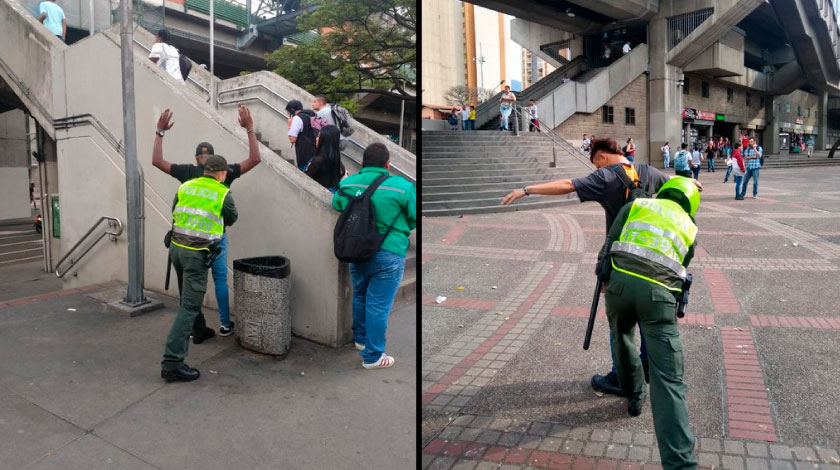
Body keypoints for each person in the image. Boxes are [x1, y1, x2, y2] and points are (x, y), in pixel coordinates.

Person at [501, 138, 703, 396]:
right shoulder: (648, 172)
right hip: (656, 258)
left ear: (603, 156)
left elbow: (568, 185)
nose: (595, 169)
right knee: (646, 314)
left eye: (595, 163)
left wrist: (526, 189)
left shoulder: (606, 176)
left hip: (622, 260)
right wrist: (692, 182)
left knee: (620, 323)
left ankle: (621, 376)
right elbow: (676, 186)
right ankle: (646, 365)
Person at [602, 176, 700, 469]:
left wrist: (605, 277)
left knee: (622, 339)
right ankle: (680, 464)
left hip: (618, 288)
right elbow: (682, 266)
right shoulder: (690, 228)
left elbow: (609, 245)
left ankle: (633, 398)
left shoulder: (636, 205)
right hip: (658, 300)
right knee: (668, 379)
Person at [152, 105, 261, 339]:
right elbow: (254, 159)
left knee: (190, 287)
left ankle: (196, 327)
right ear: (218, 167)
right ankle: (223, 325)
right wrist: (249, 129)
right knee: (219, 278)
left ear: (198, 159)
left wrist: (160, 132)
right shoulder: (226, 172)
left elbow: (157, 161)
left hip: (188, 241)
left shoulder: (188, 172)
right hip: (215, 238)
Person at [332, 143, 416, 369]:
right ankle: (373, 356)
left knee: (360, 295)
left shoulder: (348, 184)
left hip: (356, 250)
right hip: (390, 251)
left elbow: (337, 204)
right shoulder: (402, 186)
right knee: (378, 304)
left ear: (362, 163)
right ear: (387, 164)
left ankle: (360, 340)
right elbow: (414, 216)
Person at [161, 155, 238, 382]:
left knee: (187, 297)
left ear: (205, 170)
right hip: (196, 255)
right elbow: (231, 219)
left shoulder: (185, 186)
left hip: (176, 250)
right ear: (222, 173)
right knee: (188, 307)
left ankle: (201, 328)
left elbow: (175, 212)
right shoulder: (222, 193)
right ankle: (172, 362)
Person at [306, 125, 345, 193]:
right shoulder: (337, 159)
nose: (316, 138)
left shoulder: (318, 160)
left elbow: (306, 177)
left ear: (324, 140)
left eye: (319, 136)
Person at [286, 100, 319, 170]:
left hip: (305, 153)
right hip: (316, 153)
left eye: (288, 112)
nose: (287, 114)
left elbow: (292, 139)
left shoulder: (297, 118)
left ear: (292, 111)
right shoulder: (311, 116)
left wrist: (289, 125)